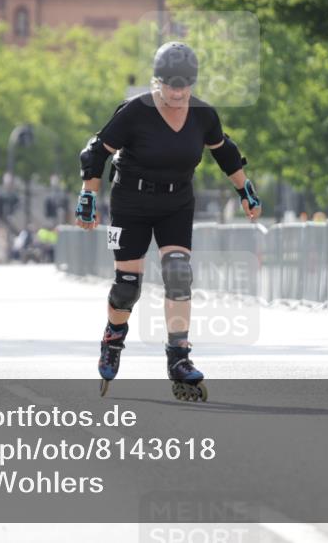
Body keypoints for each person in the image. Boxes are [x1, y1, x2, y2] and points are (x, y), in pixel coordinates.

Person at [75, 41, 263, 401]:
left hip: (177, 201)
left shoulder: (203, 114)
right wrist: (88, 195)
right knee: (128, 285)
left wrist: (246, 192)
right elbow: (96, 151)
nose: (178, 93)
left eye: (185, 85)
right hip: (130, 202)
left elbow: (224, 151)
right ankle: (113, 339)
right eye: (170, 85)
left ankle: (179, 357)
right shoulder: (135, 111)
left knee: (178, 274)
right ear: (156, 81)